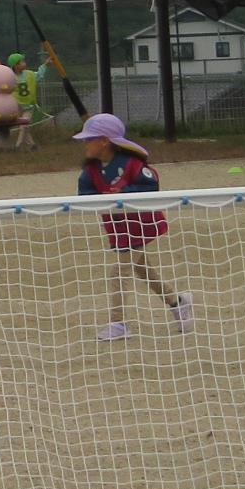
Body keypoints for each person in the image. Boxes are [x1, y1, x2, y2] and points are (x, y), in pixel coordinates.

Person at [73, 113, 193, 341]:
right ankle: (177, 302)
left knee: (120, 271)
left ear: (105, 141)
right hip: (117, 227)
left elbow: (150, 185)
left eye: (89, 139)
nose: (84, 144)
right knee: (143, 270)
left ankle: (118, 322)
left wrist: (125, 194)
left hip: (140, 224)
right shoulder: (90, 171)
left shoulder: (132, 164)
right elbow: (85, 193)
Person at [9, 52, 47, 150]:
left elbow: (39, 75)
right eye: (22, 62)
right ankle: (32, 146)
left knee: (24, 125)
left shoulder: (29, 74)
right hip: (16, 106)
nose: (24, 63)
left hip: (29, 106)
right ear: (16, 65)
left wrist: (45, 64)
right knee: (24, 127)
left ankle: (17, 145)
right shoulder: (9, 77)